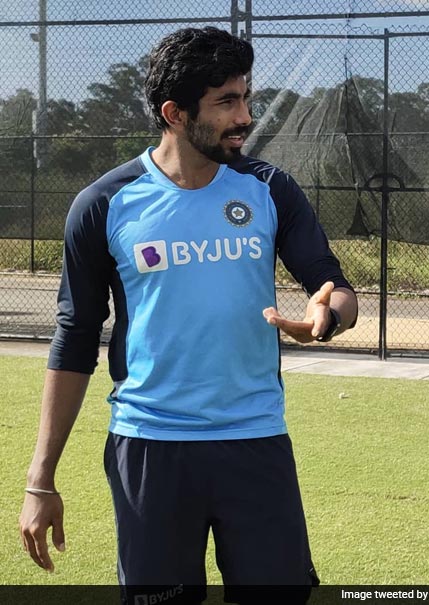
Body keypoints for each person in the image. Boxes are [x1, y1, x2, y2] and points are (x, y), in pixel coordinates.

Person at [18, 27, 357, 602]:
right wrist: (40, 479)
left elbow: (335, 287)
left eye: (245, 98)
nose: (244, 117)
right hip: (150, 445)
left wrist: (330, 316)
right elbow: (74, 340)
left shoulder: (269, 189)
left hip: (255, 438)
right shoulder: (104, 204)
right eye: (226, 102)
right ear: (174, 114)